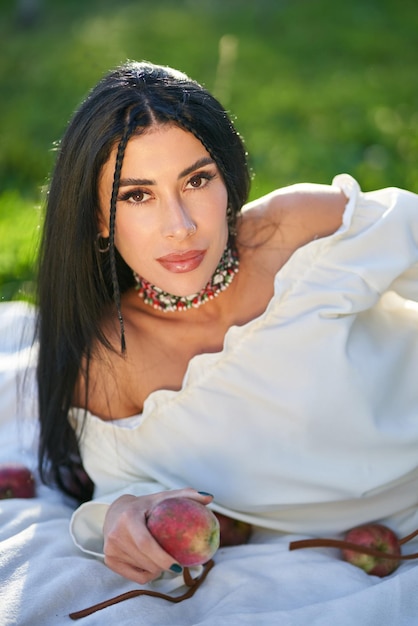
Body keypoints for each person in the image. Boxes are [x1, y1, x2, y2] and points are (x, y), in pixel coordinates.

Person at [35, 60, 418, 588]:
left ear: (228, 179)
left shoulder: (297, 234)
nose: (180, 227)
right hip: (359, 553)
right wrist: (126, 515)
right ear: (99, 217)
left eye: (196, 181)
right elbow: (125, 497)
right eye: (137, 195)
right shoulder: (110, 360)